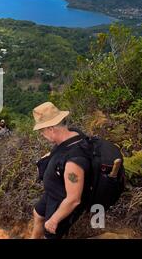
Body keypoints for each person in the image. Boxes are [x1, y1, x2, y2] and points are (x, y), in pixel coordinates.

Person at [30, 102, 91, 239]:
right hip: (53, 192)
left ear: (51, 129)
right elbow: (63, 152)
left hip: (62, 201)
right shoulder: (73, 134)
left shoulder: (74, 160)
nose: (41, 134)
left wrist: (54, 220)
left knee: (49, 235)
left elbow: (74, 199)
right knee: (38, 213)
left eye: (42, 130)